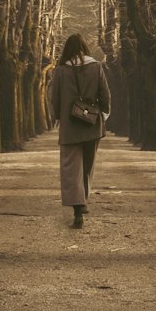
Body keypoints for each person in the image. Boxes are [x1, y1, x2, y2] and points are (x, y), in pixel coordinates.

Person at [49, 32, 110, 229]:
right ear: (85, 47)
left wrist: (58, 117)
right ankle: (83, 198)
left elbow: (55, 98)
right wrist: (104, 114)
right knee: (88, 164)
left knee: (70, 167)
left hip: (69, 125)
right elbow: (105, 94)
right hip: (92, 123)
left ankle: (77, 207)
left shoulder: (60, 70)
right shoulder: (96, 66)